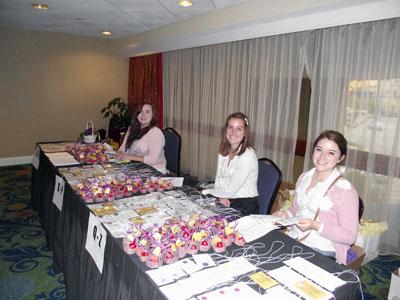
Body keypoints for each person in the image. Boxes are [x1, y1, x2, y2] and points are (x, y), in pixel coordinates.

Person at [274, 130, 359, 264]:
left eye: (331, 153)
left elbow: (350, 237)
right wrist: (286, 213)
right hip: (294, 238)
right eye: (319, 150)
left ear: (340, 158)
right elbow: (298, 209)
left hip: (322, 249)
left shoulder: (345, 190)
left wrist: (315, 225)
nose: (322, 157)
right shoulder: (304, 177)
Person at [202, 112, 259, 215]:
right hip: (226, 196)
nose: (233, 133)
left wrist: (208, 191)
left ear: (245, 133)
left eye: (239, 129)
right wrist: (221, 196)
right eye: (230, 127)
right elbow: (219, 177)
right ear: (226, 130)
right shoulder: (224, 149)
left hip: (245, 204)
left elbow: (231, 190)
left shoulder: (248, 156)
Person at [116, 103, 167, 174]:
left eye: (147, 111)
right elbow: (123, 148)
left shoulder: (155, 132)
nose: (143, 114)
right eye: (140, 112)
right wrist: (119, 153)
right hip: (135, 167)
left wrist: (129, 156)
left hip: (154, 171)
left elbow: (153, 159)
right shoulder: (132, 128)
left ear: (153, 115)